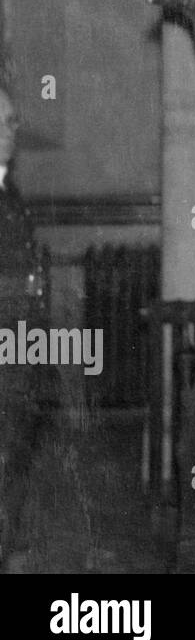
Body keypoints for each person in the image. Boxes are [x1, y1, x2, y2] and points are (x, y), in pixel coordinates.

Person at [0, 84, 54, 571]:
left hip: (19, 356)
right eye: (3, 122)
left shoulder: (8, 191)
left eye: (12, 122)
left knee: (13, 456)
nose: (11, 131)